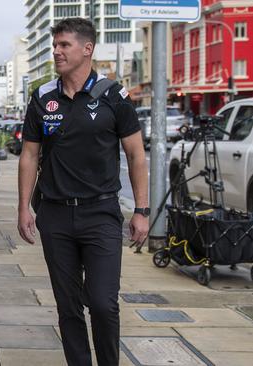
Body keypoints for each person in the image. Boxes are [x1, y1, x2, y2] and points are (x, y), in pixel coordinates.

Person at [17, 18, 149, 366]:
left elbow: (136, 155)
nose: (57, 51)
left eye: (64, 45)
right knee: (68, 306)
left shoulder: (113, 95)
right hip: (55, 215)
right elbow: (29, 154)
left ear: (87, 49)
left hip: (101, 214)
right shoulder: (43, 97)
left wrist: (142, 210)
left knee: (104, 304)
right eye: (55, 45)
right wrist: (23, 208)